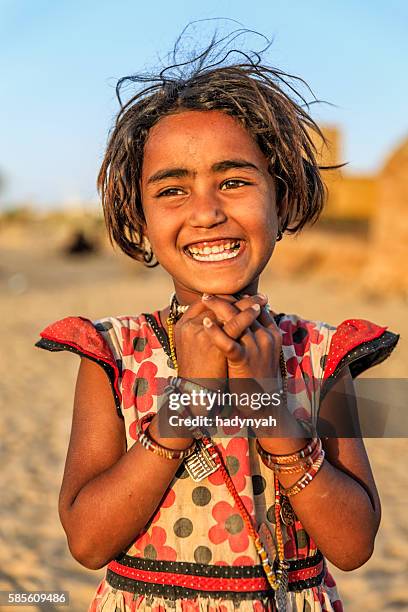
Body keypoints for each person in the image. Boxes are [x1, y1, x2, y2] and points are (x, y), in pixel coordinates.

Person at [36, 32, 399, 612]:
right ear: (142, 216)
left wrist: (267, 402)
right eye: (172, 189)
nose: (206, 211)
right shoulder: (112, 352)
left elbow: (354, 545)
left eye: (234, 181)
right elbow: (87, 539)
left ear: (282, 199)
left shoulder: (324, 355)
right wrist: (190, 398)